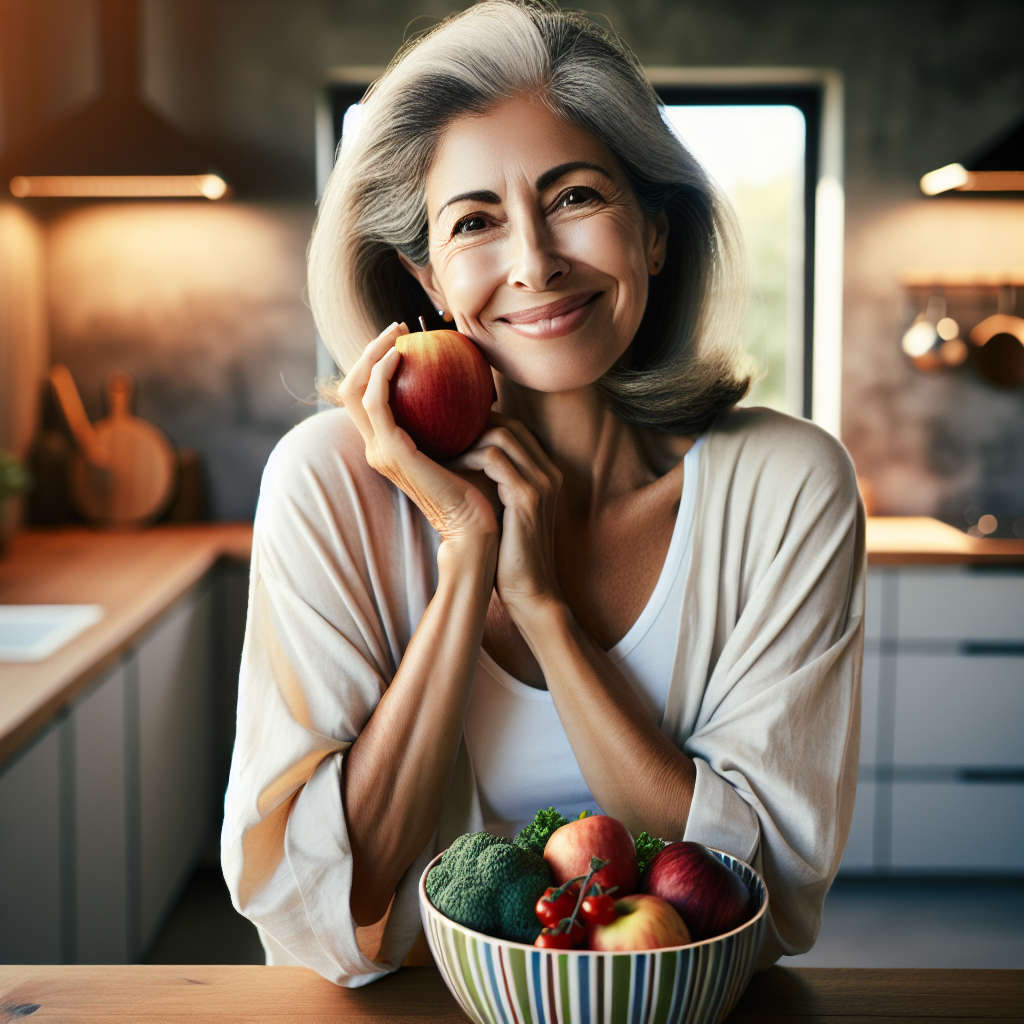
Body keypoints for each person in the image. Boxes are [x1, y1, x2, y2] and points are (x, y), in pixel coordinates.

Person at [222, 0, 864, 986]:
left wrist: (540, 609)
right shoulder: (326, 484)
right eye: (474, 220)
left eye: (573, 198)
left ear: (654, 232)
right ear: (426, 278)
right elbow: (325, 913)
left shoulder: (788, 486)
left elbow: (761, 893)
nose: (533, 262)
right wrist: (464, 561)